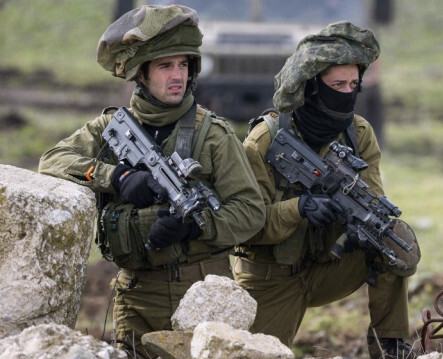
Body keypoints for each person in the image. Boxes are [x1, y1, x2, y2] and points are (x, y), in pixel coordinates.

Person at [38, 5, 265, 356]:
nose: (177, 76)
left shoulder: (213, 135)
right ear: (140, 74)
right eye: (165, 66)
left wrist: (194, 228)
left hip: (203, 292)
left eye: (184, 65)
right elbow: (52, 161)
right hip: (137, 293)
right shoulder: (109, 128)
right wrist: (117, 176)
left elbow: (250, 212)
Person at [235, 21, 420, 359]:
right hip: (271, 277)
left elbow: (373, 199)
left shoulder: (358, 133)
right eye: (337, 84)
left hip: (327, 266)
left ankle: (390, 346)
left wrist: (358, 226)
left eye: (353, 84)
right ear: (311, 87)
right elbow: (245, 226)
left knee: (393, 240)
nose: (347, 93)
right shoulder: (264, 141)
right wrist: (300, 208)